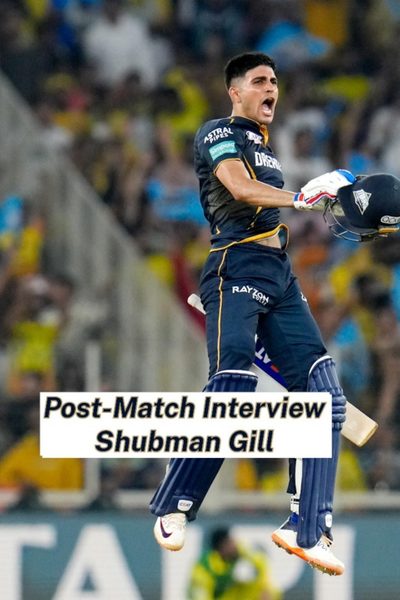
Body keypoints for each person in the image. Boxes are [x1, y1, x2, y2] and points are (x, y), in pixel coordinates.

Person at [149, 51, 358, 576]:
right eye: (260, 81)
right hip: (233, 264)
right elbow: (239, 188)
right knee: (233, 382)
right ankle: (175, 504)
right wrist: (304, 198)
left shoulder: (267, 148)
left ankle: (307, 528)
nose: (271, 89)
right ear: (235, 91)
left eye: (275, 81)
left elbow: (271, 196)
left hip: (279, 273)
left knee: (325, 394)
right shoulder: (217, 132)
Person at [187, 526, 280, 600]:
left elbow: (261, 563)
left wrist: (264, 589)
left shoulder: (237, 552)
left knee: (270, 591)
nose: (234, 544)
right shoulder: (205, 566)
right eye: (229, 542)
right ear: (221, 547)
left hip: (229, 594)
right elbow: (199, 593)